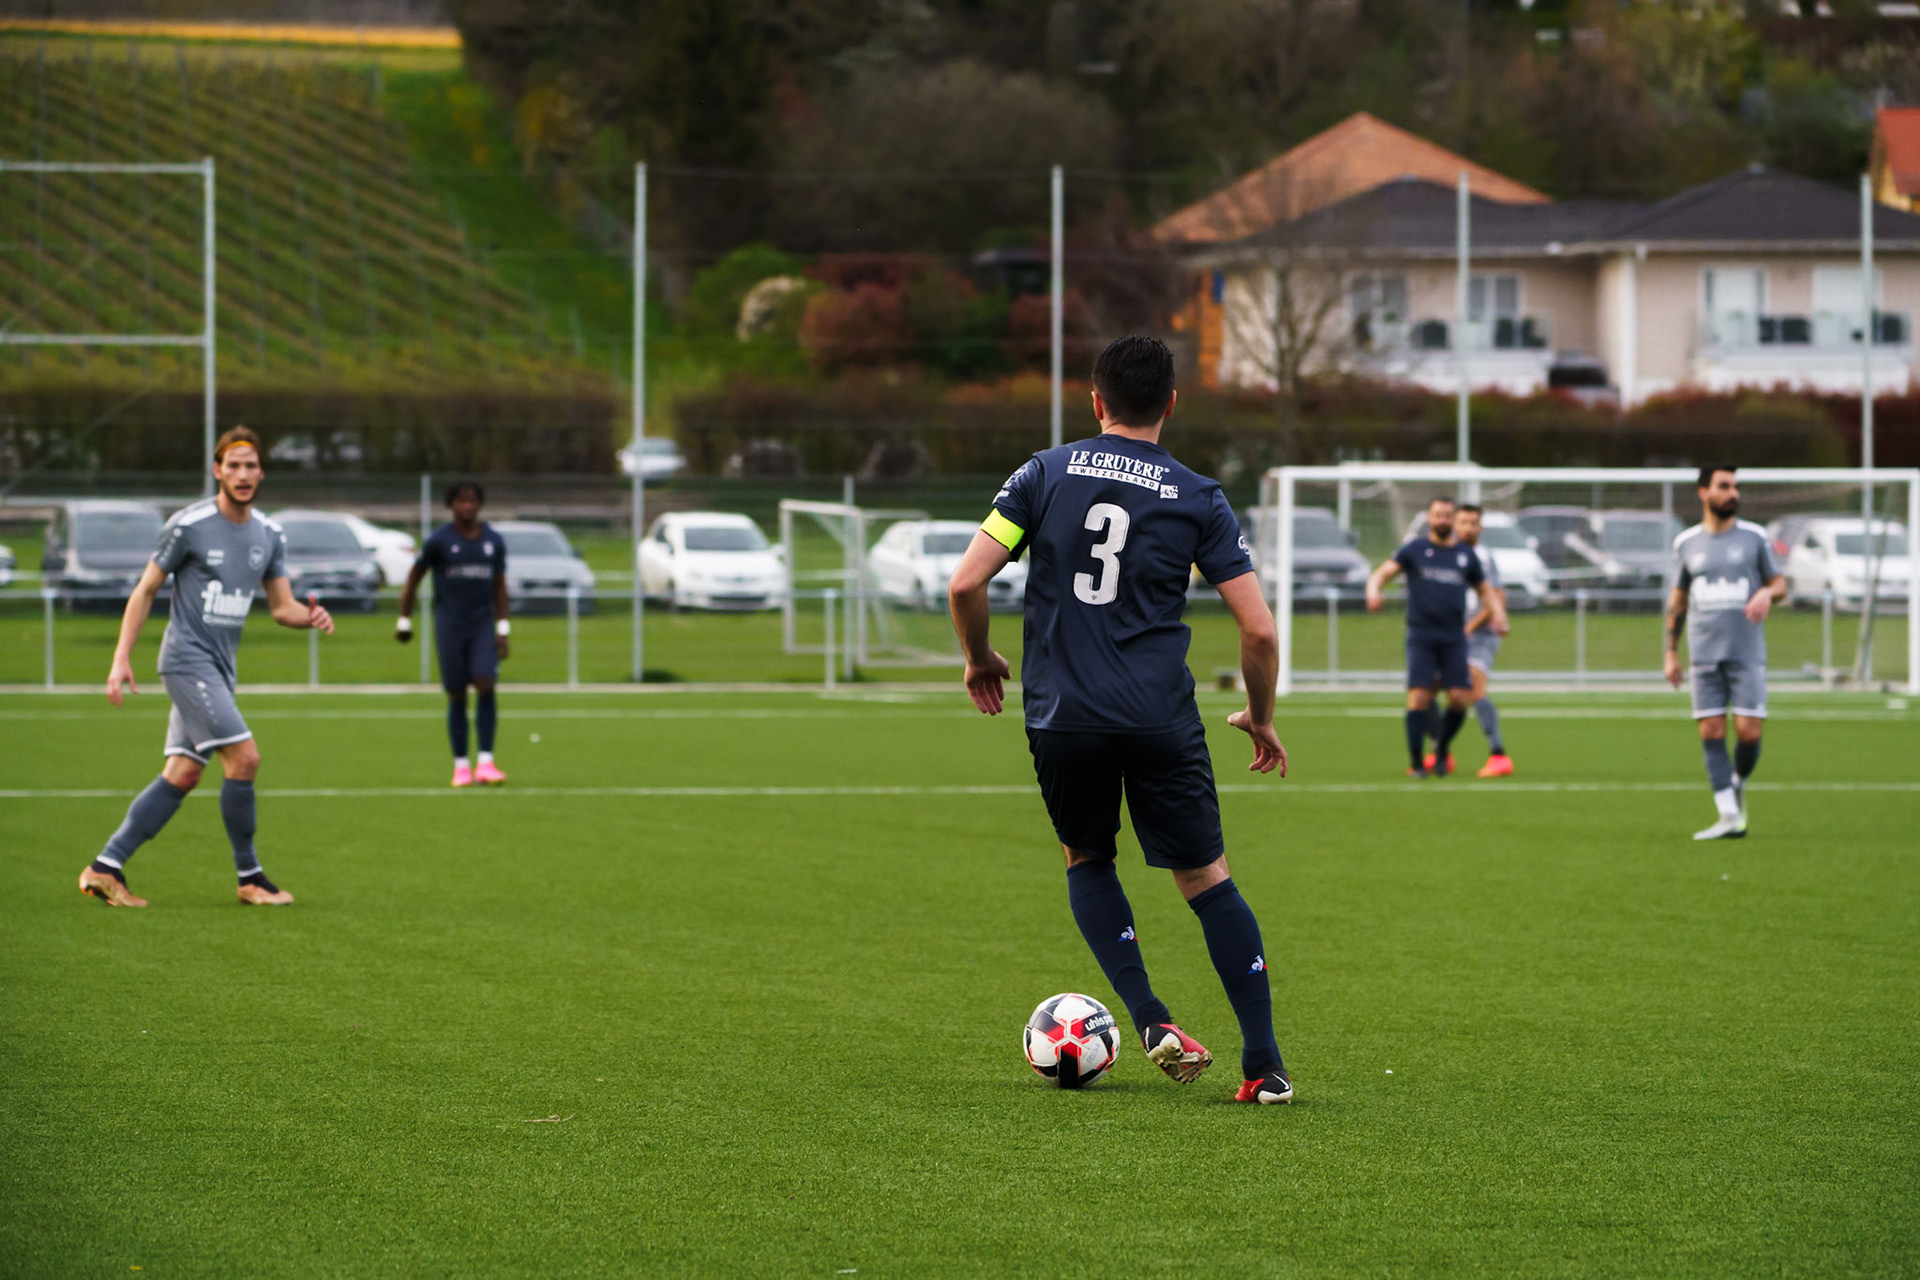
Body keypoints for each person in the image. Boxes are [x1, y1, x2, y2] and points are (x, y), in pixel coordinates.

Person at [947, 335, 1295, 1106]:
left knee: (1087, 859)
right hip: (1158, 718)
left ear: (1096, 401)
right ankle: (1264, 1066)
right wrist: (1260, 715)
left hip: (1063, 716)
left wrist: (979, 658)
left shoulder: (1041, 474)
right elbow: (1261, 631)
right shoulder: (1198, 496)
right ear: (1172, 402)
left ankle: (1147, 1017)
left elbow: (967, 582)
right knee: (1206, 880)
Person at [78, 426, 333, 908]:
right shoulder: (189, 524)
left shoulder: (269, 534)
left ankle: (105, 868)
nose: (242, 474)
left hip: (218, 669)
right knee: (245, 758)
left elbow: (282, 607)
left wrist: (311, 617)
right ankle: (250, 878)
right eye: (232, 465)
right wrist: (120, 659)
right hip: (184, 661)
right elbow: (146, 590)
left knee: (182, 774)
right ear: (217, 470)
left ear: (261, 473)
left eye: (251, 465)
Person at [1665, 465, 1785, 840]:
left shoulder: (1754, 537)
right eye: (1724, 486)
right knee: (1711, 730)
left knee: (1748, 732)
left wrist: (1767, 592)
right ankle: (1729, 815)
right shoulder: (1686, 542)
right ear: (1704, 492)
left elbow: (1779, 582)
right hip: (1703, 655)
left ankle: (1736, 781)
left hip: (1746, 652)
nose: (1733, 493)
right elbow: (1678, 599)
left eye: (1735, 486)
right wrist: (1670, 652)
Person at [1366, 496, 1508, 777]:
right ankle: (1418, 763)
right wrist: (1373, 590)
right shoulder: (1416, 549)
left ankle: (1442, 748)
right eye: (1438, 515)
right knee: (1419, 696)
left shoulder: (1466, 556)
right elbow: (1383, 573)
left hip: (1454, 637)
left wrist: (1499, 613)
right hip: (1422, 637)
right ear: (1430, 518)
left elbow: (1485, 589)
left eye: (1447, 515)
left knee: (1458, 698)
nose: (1442, 520)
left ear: (1452, 519)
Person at [397, 480, 510, 787]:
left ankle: (486, 762)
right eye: (461, 501)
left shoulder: (493, 541)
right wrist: (404, 619)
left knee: (486, 683)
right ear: (451, 505)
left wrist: (503, 627)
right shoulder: (439, 541)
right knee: (457, 693)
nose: (468, 506)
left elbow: (500, 586)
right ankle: (461, 766)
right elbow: (414, 577)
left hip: (482, 625)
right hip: (450, 626)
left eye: (473, 500)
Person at [1456, 503, 1514, 777]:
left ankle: (1498, 755)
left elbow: (1494, 598)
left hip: (1479, 635)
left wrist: (1470, 626)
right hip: (1451, 633)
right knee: (1436, 690)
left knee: (1475, 687)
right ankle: (1439, 753)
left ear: (1480, 527)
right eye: (1463, 522)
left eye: (1473, 523)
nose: (1468, 528)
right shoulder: (1448, 554)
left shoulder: (1483, 557)